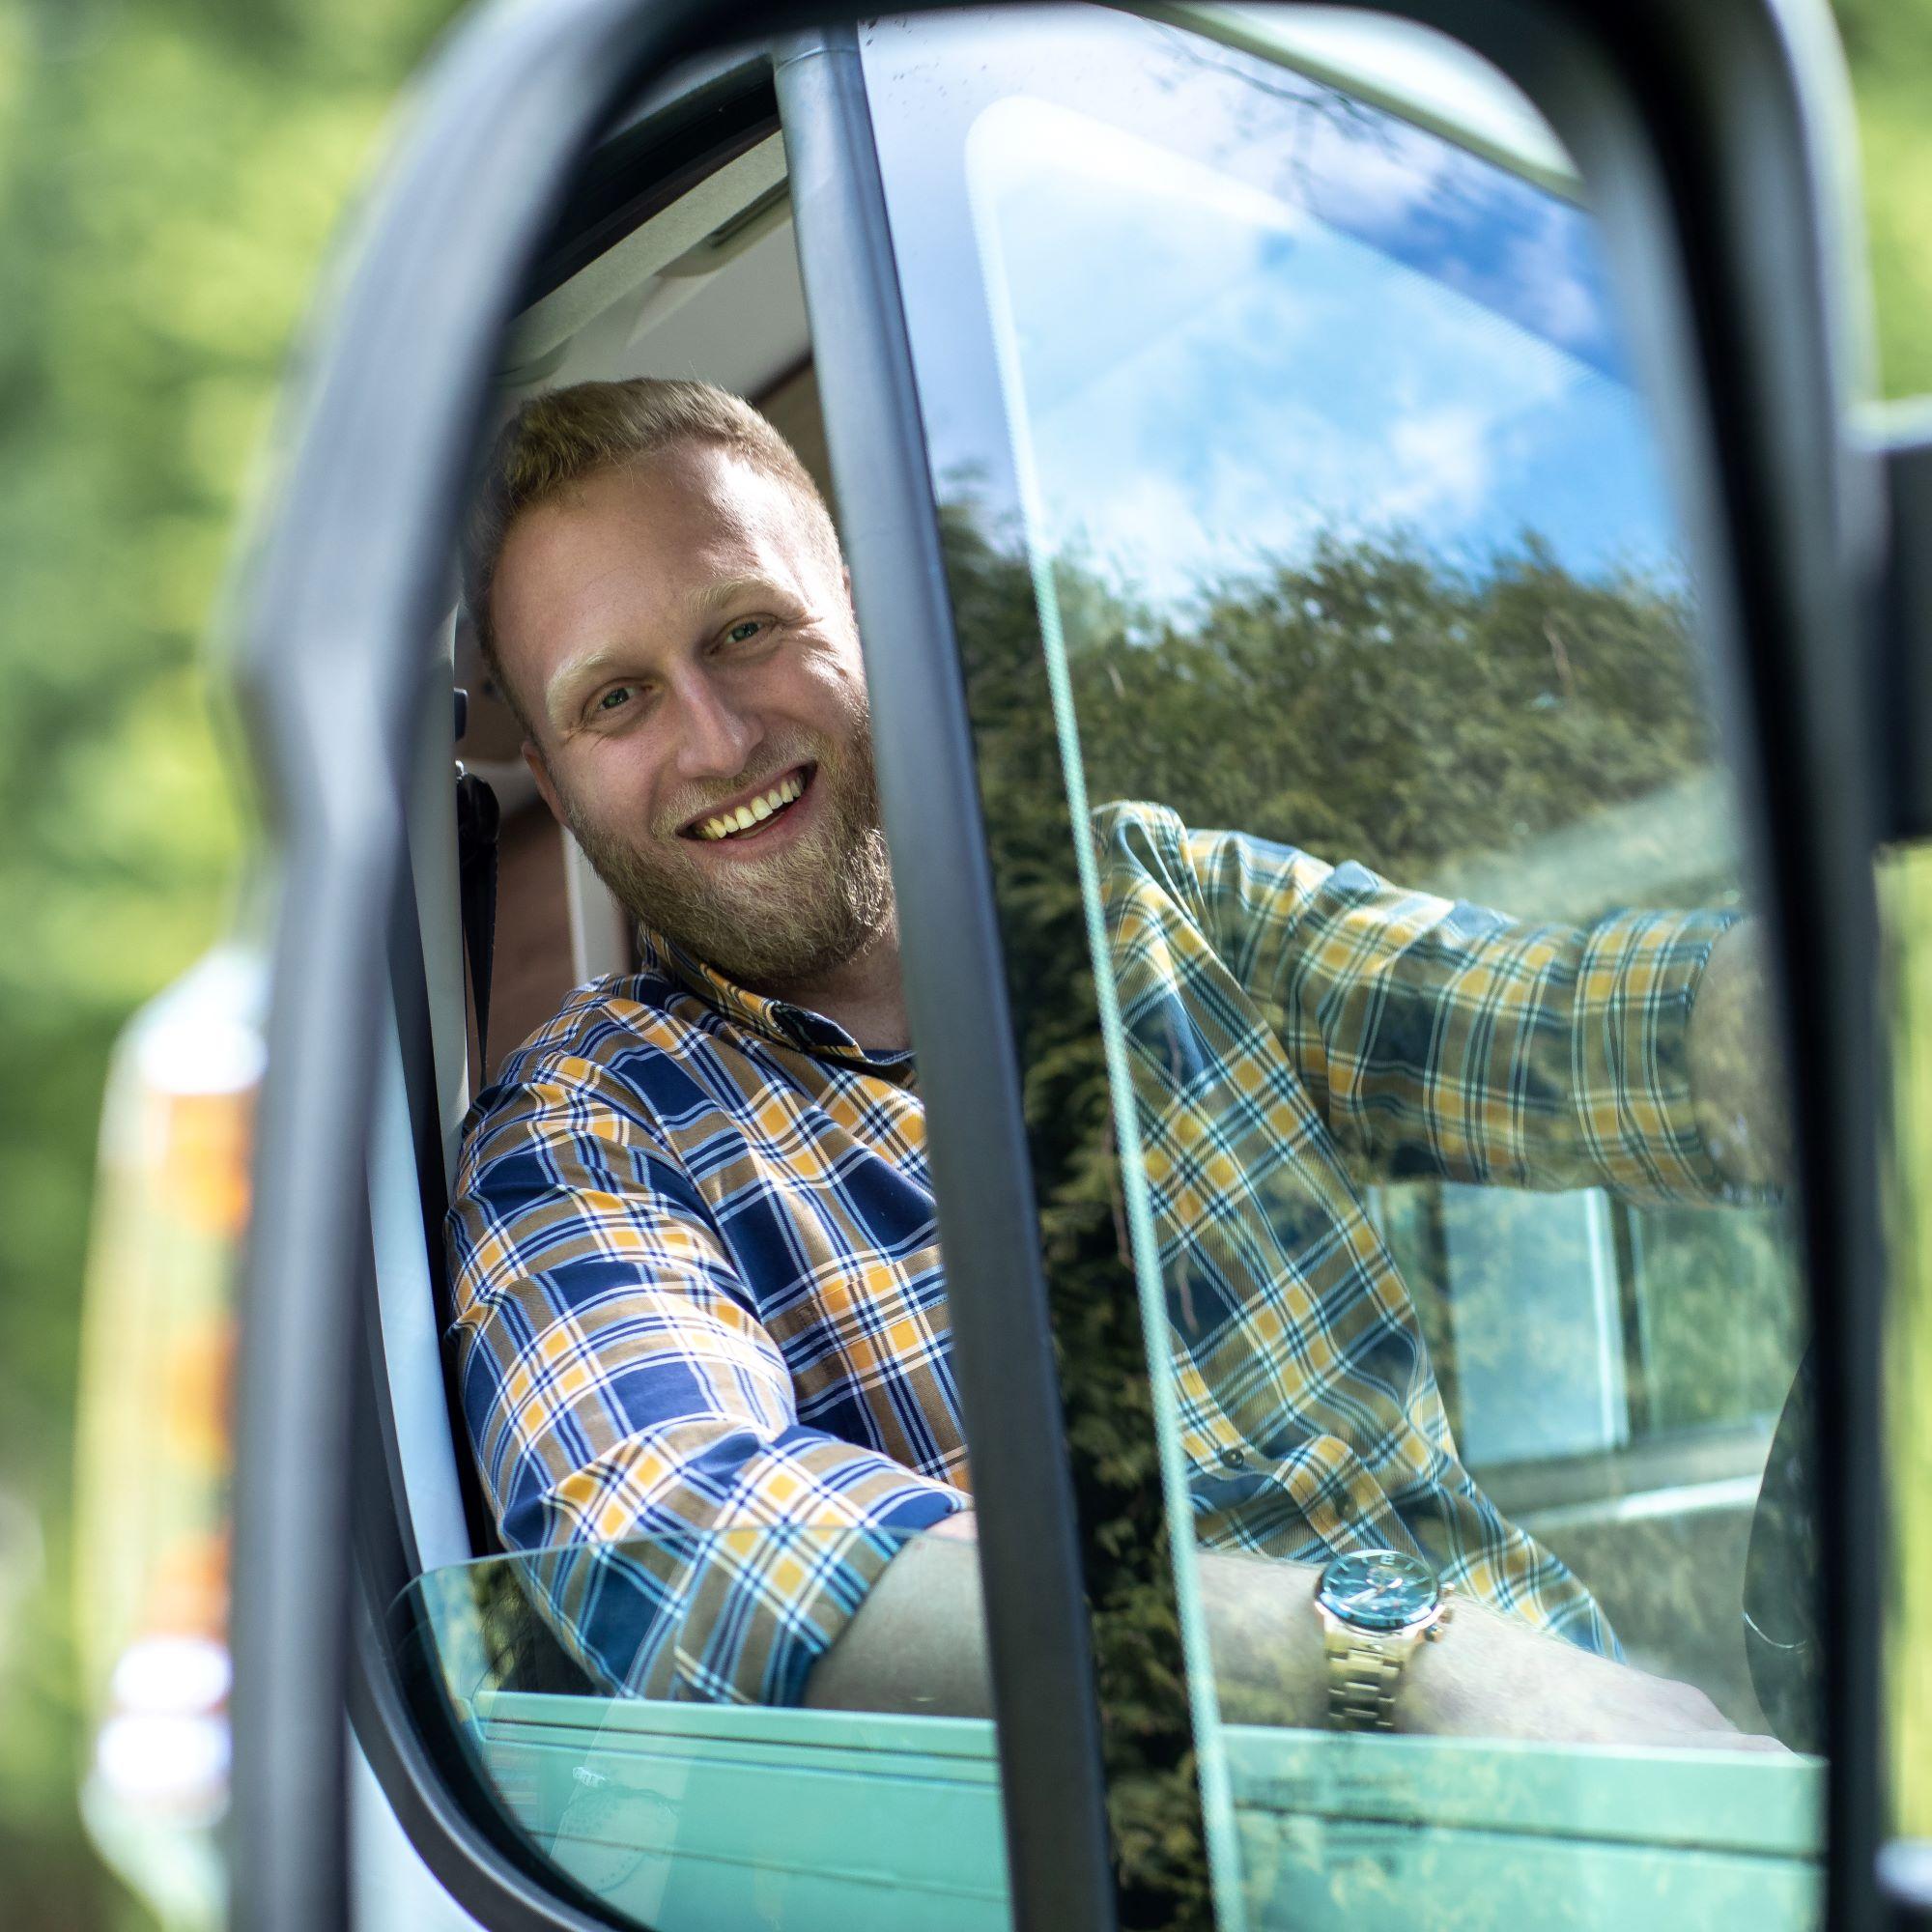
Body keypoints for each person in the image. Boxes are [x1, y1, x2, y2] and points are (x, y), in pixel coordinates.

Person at [446, 377, 1786, 1747]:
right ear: (556, 786)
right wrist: (1401, 1664)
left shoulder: (1150, 904)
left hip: (1625, 1813)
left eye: (746, 629)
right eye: (617, 700)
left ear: (869, 617)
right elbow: (683, 1550)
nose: (717, 738)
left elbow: (1580, 1026)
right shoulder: (587, 1133)